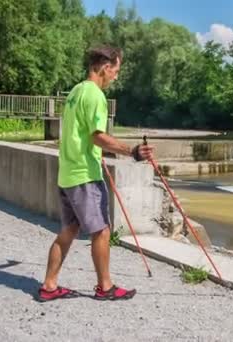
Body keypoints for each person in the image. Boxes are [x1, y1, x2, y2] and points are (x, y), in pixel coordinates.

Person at [38, 46, 153, 301]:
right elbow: (97, 136)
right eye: (116, 70)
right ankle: (105, 287)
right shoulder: (95, 95)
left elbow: (81, 134)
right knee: (101, 230)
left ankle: (49, 286)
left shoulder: (76, 91)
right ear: (104, 67)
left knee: (69, 230)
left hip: (68, 173)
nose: (116, 76)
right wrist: (131, 151)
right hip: (84, 176)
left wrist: (95, 153)